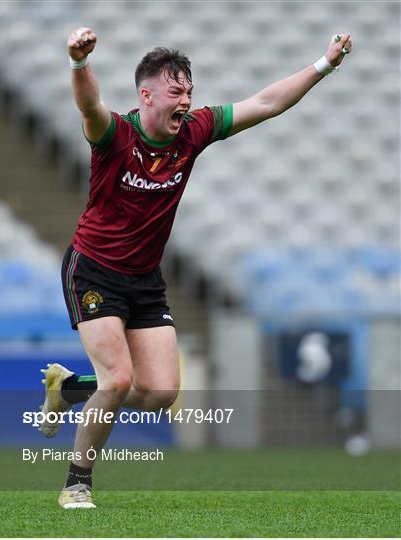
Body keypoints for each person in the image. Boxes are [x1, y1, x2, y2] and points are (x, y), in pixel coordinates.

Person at [40, 27, 352, 509]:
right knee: (119, 380)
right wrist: (79, 63)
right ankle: (77, 483)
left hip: (145, 277)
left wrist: (324, 64)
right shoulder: (117, 135)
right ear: (146, 95)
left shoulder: (194, 131)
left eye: (190, 90)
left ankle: (69, 388)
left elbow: (266, 104)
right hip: (94, 269)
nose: (186, 99)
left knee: (160, 392)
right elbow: (89, 107)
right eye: (175, 90)